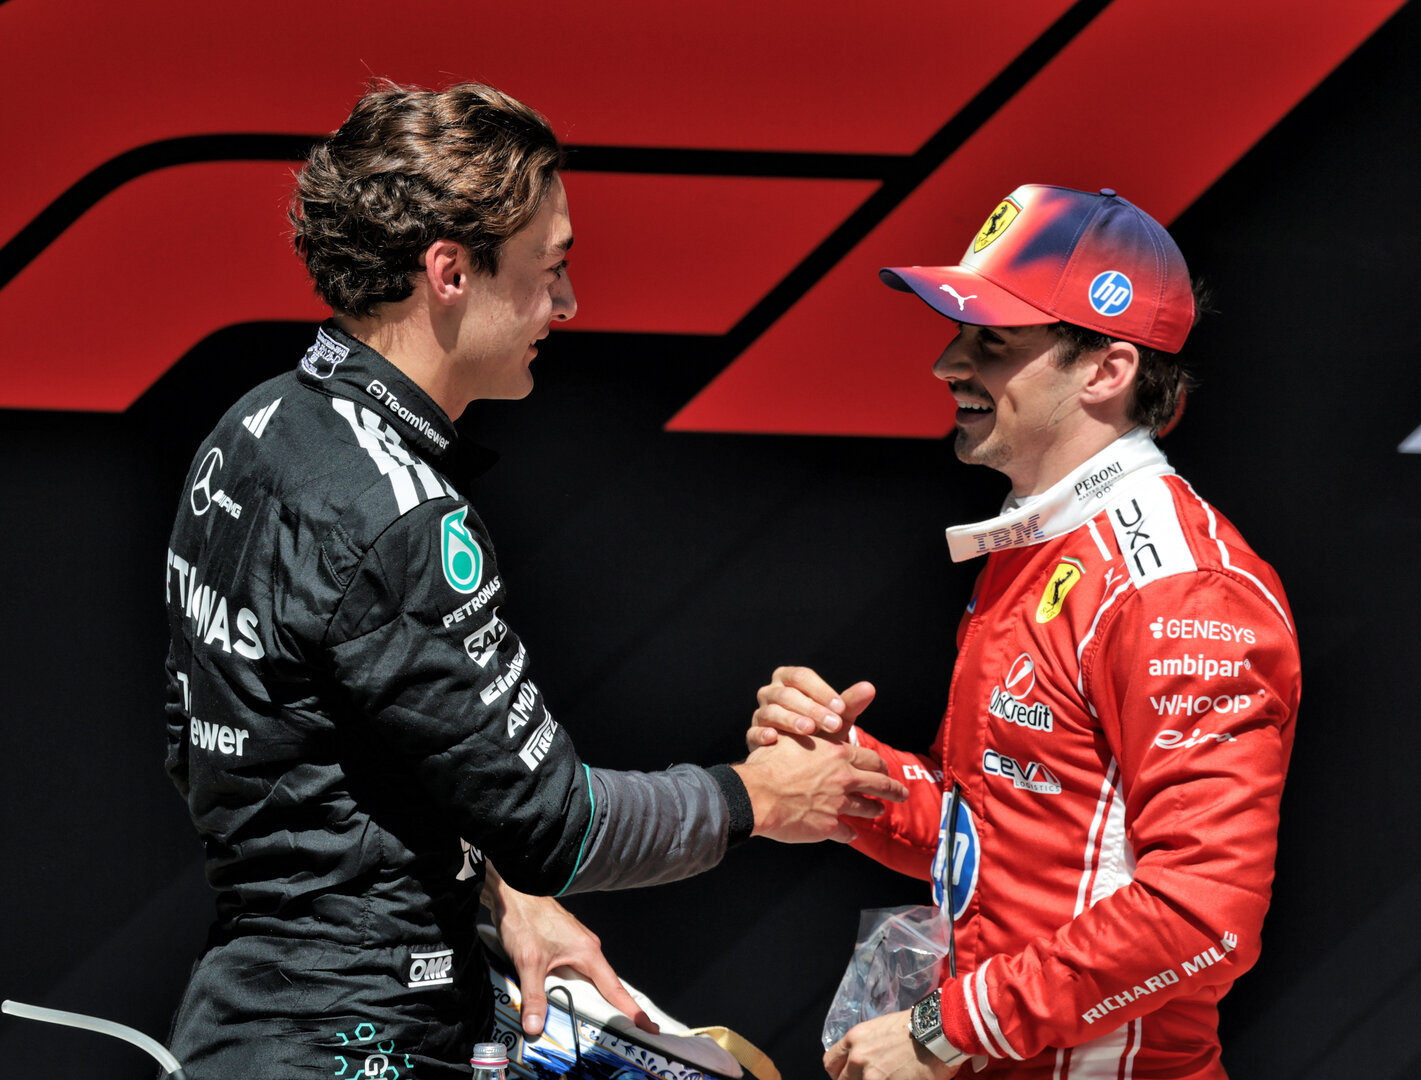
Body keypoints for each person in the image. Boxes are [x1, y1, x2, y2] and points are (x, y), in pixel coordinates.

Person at [162, 80, 906, 1080]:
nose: (567, 304)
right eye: (550, 270)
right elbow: (561, 825)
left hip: (250, 1018)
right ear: (449, 271)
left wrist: (492, 892)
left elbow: (207, 744)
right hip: (364, 1044)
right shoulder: (401, 513)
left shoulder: (254, 427)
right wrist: (762, 797)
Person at [751, 185, 1302, 1080]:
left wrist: (946, 1030)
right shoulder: (1041, 546)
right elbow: (1017, 837)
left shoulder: (1181, 590)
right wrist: (854, 778)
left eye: (992, 343)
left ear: (1106, 370)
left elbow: (1205, 915)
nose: (947, 365)